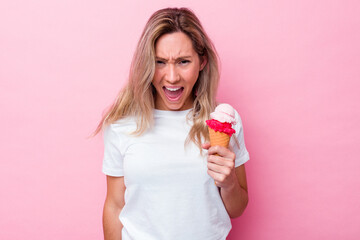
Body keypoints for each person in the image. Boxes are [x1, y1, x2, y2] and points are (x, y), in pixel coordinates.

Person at [93, 7, 250, 240]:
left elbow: (237, 208)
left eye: (183, 62)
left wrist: (229, 184)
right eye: (160, 62)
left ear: (202, 61)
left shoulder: (223, 124)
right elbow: (115, 205)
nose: (172, 77)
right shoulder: (122, 125)